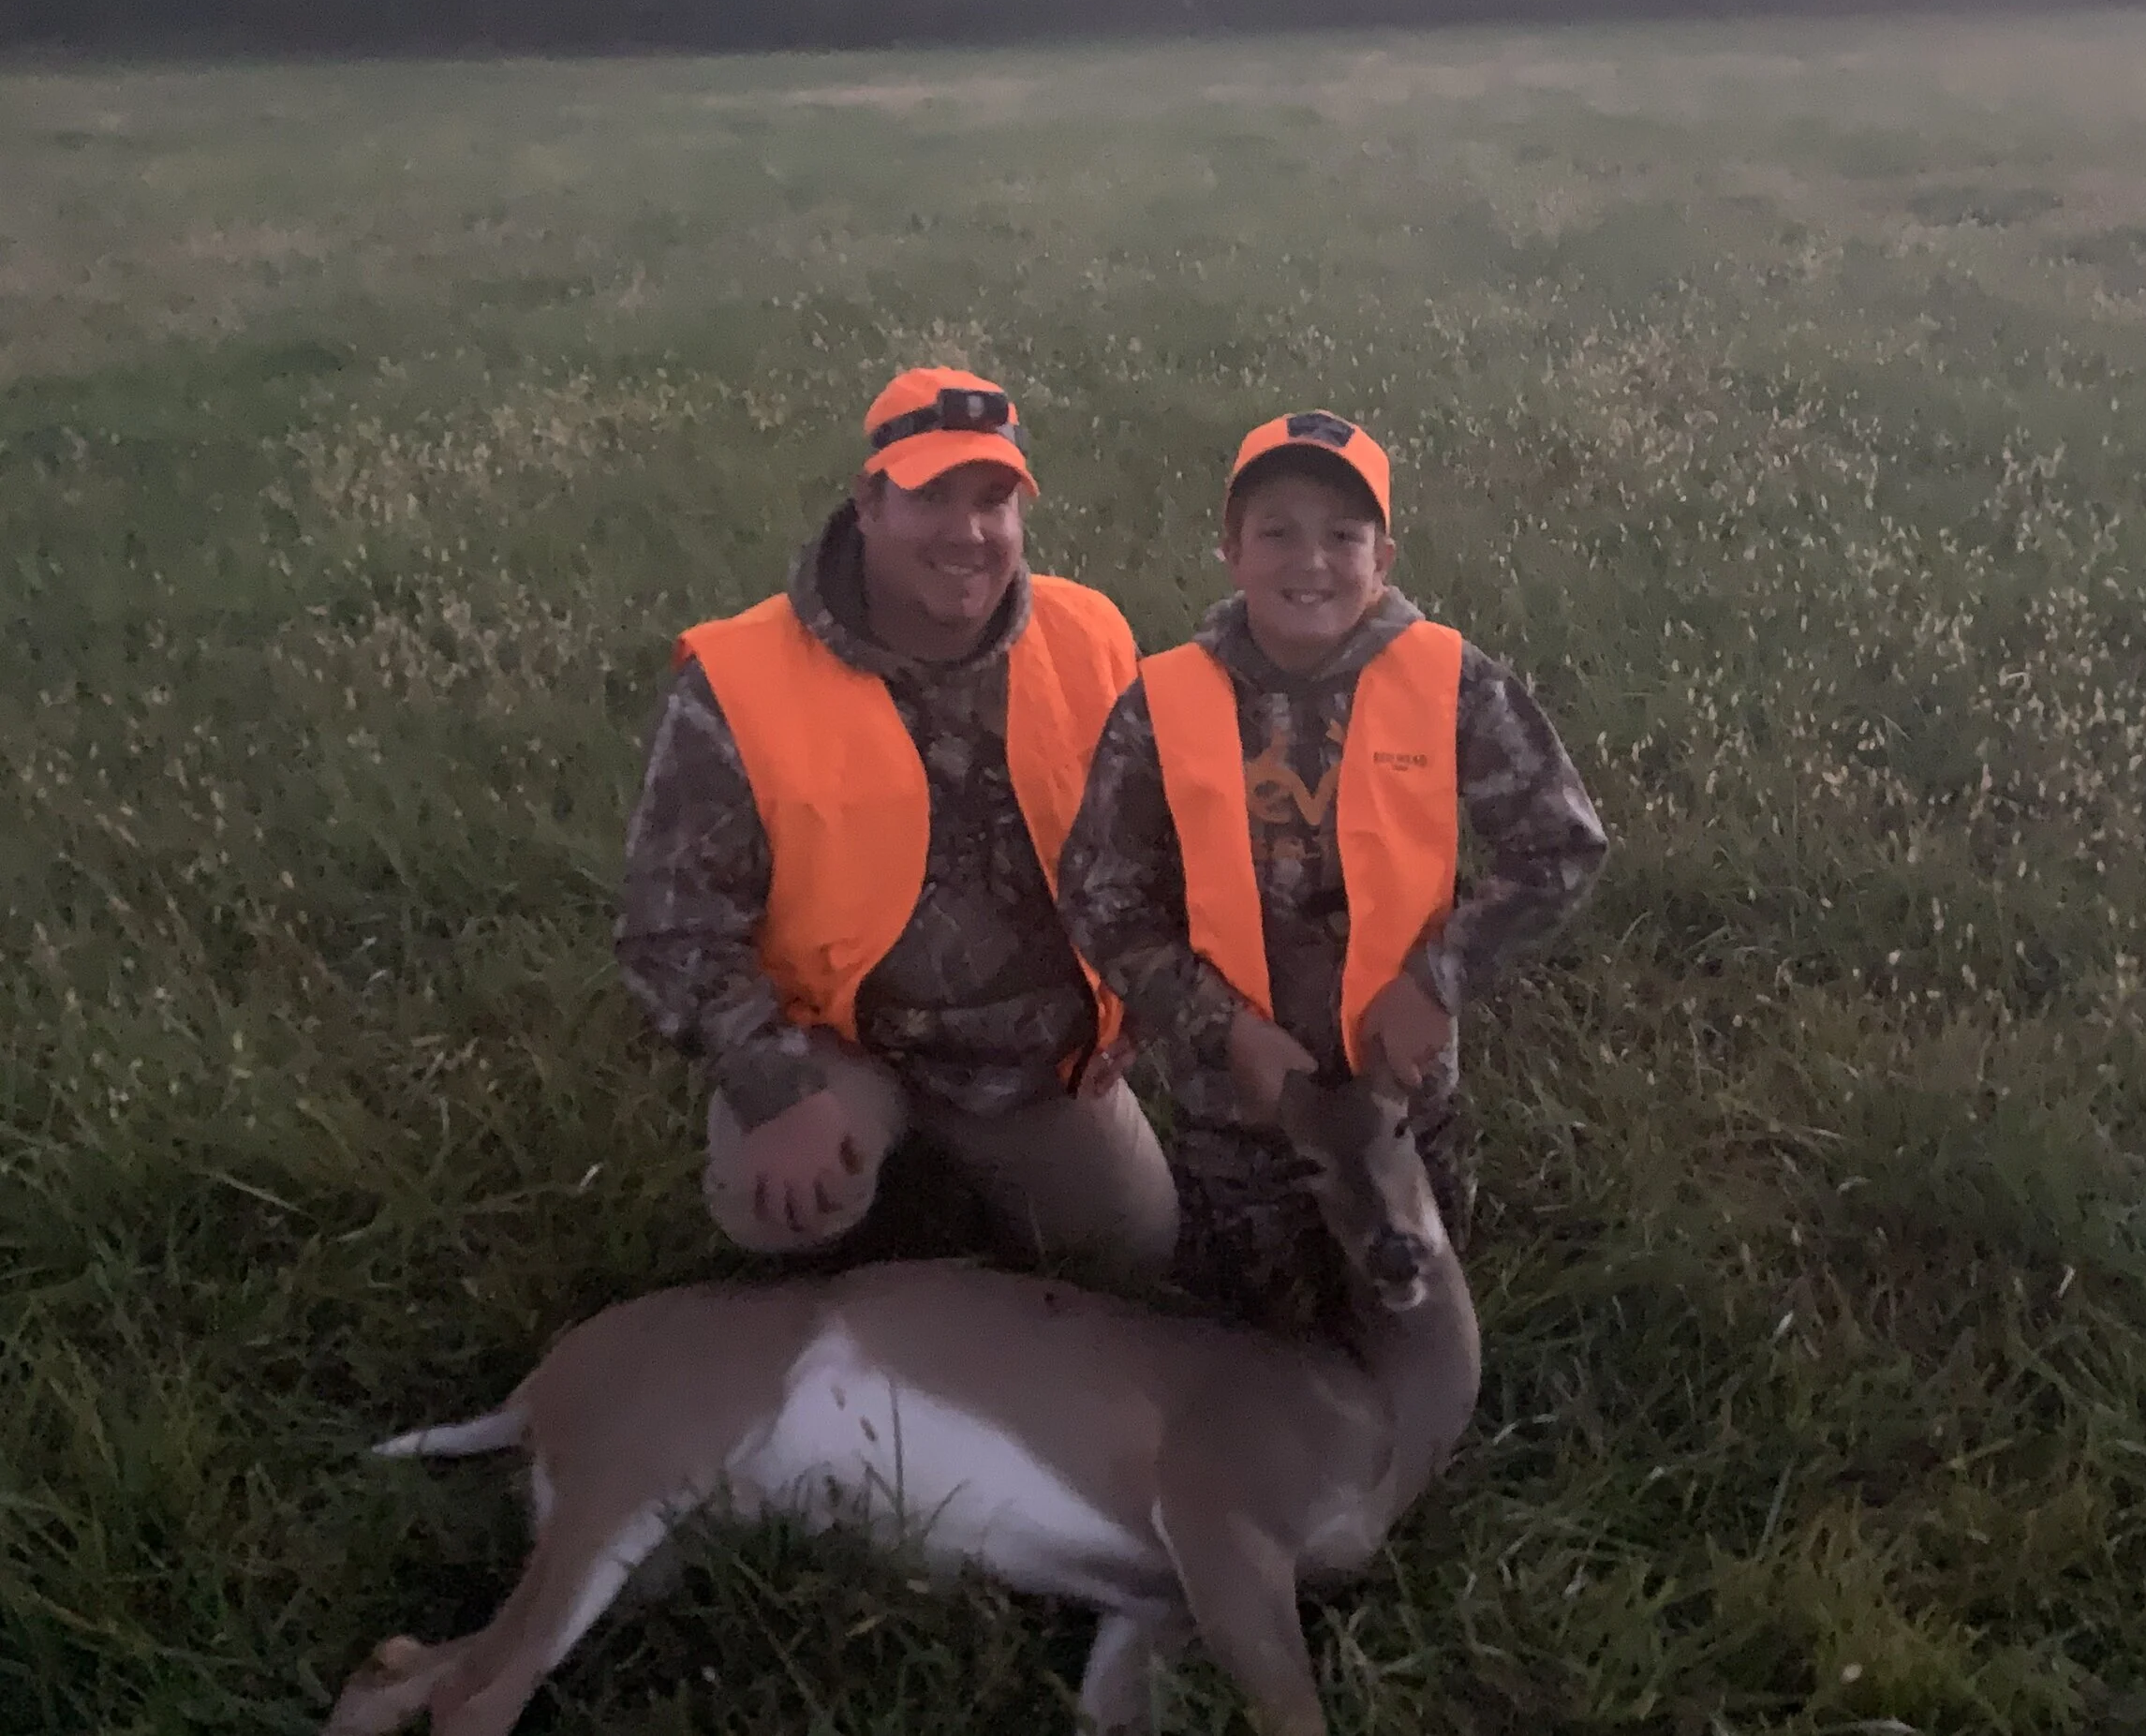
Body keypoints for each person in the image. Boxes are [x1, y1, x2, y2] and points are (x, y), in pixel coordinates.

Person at [614, 367, 1177, 1285]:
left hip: (1031, 1058)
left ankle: (970, 1167)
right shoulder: (739, 680)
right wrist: (775, 1088)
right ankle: (854, 1155)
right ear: (867, 503)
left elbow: (1157, 846)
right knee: (780, 1213)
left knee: (1133, 1255)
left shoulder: (1092, 636)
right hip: (840, 1043)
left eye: (994, 500)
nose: (968, 534)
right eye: (930, 497)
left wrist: (1144, 993)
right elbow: (671, 927)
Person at [1055, 408, 1611, 1332]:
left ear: (1382, 557)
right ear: (1231, 550)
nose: (1308, 561)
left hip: (1400, 1095)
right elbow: (1100, 893)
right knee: (1255, 1345)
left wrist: (1436, 982)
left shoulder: (1452, 681)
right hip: (1238, 1109)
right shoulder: (1162, 702)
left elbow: (1560, 845)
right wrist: (1219, 1027)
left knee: (1417, 1331)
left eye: (1341, 536)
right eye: (1276, 532)